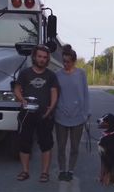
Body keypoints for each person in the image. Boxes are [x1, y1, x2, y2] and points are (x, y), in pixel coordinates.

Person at [14, 45, 59, 182]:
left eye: (45, 57)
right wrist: (22, 100)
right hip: (26, 114)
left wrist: (50, 109)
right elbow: (17, 88)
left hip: (44, 115)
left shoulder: (51, 75)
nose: (42, 59)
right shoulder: (25, 73)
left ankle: (44, 173)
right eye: (39, 56)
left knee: (46, 144)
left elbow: (54, 92)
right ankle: (25, 171)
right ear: (34, 57)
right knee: (24, 143)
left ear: (47, 59)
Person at [54, 44, 90, 181]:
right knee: (61, 146)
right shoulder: (57, 74)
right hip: (61, 115)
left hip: (78, 116)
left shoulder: (81, 74)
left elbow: (85, 94)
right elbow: (55, 94)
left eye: (68, 61)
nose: (65, 64)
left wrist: (86, 112)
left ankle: (70, 170)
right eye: (64, 61)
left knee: (75, 147)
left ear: (74, 61)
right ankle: (62, 170)